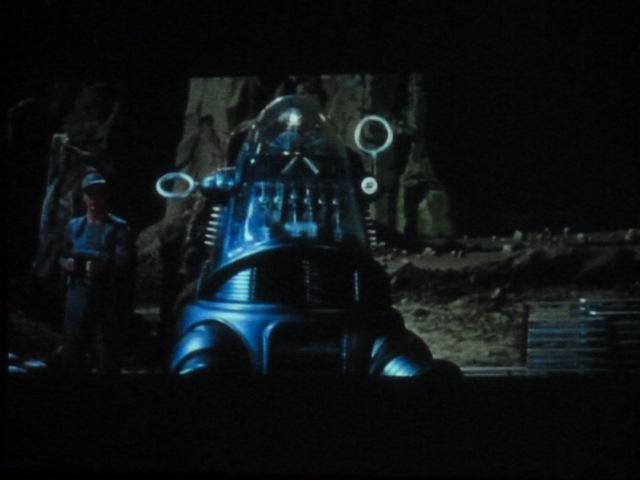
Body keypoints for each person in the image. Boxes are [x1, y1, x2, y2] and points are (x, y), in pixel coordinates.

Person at [59, 172, 133, 375]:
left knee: (105, 354)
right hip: (76, 296)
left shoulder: (118, 228)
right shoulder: (74, 226)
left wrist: (103, 268)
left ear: (106, 195)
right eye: (90, 194)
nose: (94, 199)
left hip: (104, 298)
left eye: (99, 193)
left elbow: (124, 263)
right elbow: (61, 254)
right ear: (84, 197)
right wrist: (67, 264)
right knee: (72, 351)